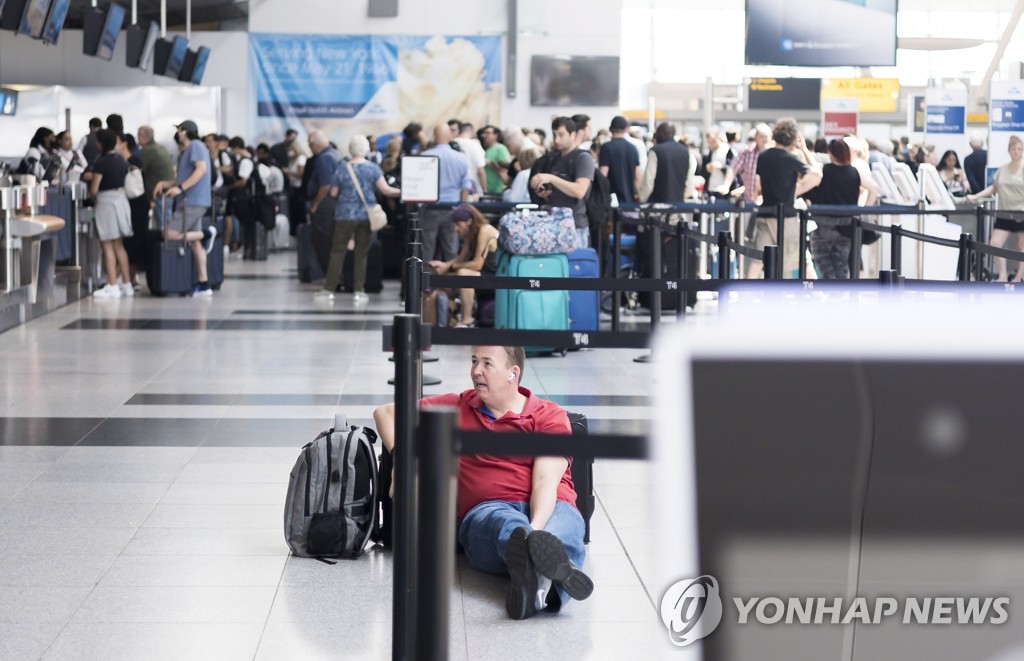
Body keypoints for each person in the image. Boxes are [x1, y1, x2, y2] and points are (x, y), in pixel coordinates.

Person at [372, 345, 593, 621]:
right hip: (489, 508)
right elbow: (386, 413)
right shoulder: (458, 405)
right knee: (505, 526)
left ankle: (533, 580)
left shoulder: (549, 414)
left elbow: (545, 481)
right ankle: (546, 581)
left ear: (514, 373)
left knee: (565, 528)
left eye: (487, 364)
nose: (476, 371)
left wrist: (535, 530)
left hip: (552, 504)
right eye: (474, 361)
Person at [316, 135, 400, 302]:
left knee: (337, 252)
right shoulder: (373, 168)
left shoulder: (342, 168)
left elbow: (333, 193)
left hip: (344, 215)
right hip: (366, 215)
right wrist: (405, 192)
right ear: (367, 149)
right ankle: (359, 290)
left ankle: (329, 289)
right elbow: (386, 190)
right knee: (361, 253)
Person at [749, 117, 822, 279]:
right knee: (802, 257)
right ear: (793, 138)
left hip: (765, 213)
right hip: (787, 216)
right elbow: (817, 175)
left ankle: (744, 293)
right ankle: (817, 293)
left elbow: (758, 184)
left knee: (758, 258)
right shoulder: (791, 159)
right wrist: (804, 150)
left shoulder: (764, 156)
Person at [152, 120, 218, 296]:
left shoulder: (196, 146)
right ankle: (204, 283)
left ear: (185, 132)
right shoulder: (188, 151)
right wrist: (166, 184)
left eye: (180, 130)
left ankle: (207, 234)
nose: (179, 134)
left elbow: (201, 170)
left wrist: (180, 189)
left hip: (192, 201)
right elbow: (181, 179)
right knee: (195, 243)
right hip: (190, 200)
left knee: (169, 234)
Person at [529, 116, 595, 249]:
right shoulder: (555, 158)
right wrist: (545, 193)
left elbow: (579, 191)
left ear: (573, 135)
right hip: (553, 223)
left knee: (574, 267)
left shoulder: (583, 158)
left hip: (575, 225)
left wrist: (552, 178)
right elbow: (560, 190)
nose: (556, 140)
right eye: (554, 135)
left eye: (561, 135)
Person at [428, 204, 500, 327]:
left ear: (469, 222)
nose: (455, 229)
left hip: (497, 276)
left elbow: (477, 264)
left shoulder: (485, 230)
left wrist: (450, 268)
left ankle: (467, 320)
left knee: (464, 274)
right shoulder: (470, 233)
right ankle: (450, 313)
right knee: (450, 276)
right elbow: (460, 259)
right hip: (484, 273)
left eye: (458, 224)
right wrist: (443, 266)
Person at [968, 135, 1024, 282]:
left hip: (1021, 214)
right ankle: (1003, 275)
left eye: (1019, 149)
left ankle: (1018, 277)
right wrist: (976, 197)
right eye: (1014, 149)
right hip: (1004, 213)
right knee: (995, 243)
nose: (1016, 152)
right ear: (1009, 150)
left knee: (1022, 245)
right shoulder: (1003, 170)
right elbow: (994, 188)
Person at [804, 139, 862, 279]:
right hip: (847, 226)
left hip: (823, 223)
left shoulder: (825, 170)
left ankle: (832, 293)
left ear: (831, 153)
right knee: (841, 261)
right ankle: (841, 293)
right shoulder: (854, 172)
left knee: (823, 259)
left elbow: (811, 193)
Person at [88, 129, 134, 299]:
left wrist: (92, 197)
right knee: (119, 245)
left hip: (106, 204)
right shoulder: (121, 160)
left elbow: (94, 189)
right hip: (121, 201)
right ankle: (127, 284)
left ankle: (112, 285)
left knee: (107, 245)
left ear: (101, 143)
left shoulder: (101, 162)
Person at [420, 125, 475, 262]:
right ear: (450, 136)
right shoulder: (461, 158)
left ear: (434, 137)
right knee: (451, 249)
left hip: (429, 208)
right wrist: (461, 208)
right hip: (452, 208)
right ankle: (451, 281)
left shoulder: (425, 157)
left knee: (427, 249)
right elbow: (465, 187)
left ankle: (425, 282)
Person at [120, 134, 149, 290]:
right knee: (132, 241)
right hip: (136, 204)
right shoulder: (136, 160)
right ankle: (131, 278)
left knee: (131, 242)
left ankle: (130, 278)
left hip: (134, 205)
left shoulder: (131, 162)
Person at [138, 125, 175, 230]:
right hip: (168, 191)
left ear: (144, 136)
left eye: (139, 135)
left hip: (159, 193)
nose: (138, 138)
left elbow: (141, 171)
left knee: (163, 228)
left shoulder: (147, 150)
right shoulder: (161, 147)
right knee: (167, 223)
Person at [599, 116, 641, 205]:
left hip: (612, 201)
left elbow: (603, 175)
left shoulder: (606, 148)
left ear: (610, 129)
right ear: (626, 129)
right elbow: (637, 177)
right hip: (629, 201)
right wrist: (638, 196)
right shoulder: (633, 148)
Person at [480, 125, 511, 196]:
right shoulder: (487, 149)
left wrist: (490, 163)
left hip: (497, 190)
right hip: (488, 189)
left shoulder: (500, 149)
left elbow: (505, 168)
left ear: (496, 135)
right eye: (484, 133)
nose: (485, 136)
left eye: (488, 133)